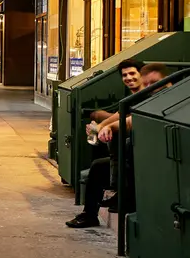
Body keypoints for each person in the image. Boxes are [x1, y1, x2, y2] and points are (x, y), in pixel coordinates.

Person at [66, 63, 170, 229]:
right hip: (140, 158)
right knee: (98, 166)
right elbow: (121, 116)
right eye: (125, 75)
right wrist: (101, 127)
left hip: (155, 161)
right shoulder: (142, 97)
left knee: (125, 148)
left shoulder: (166, 98)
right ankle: (90, 214)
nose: (129, 78)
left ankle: (121, 192)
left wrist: (106, 126)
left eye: (155, 82)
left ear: (167, 80)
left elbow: (130, 121)